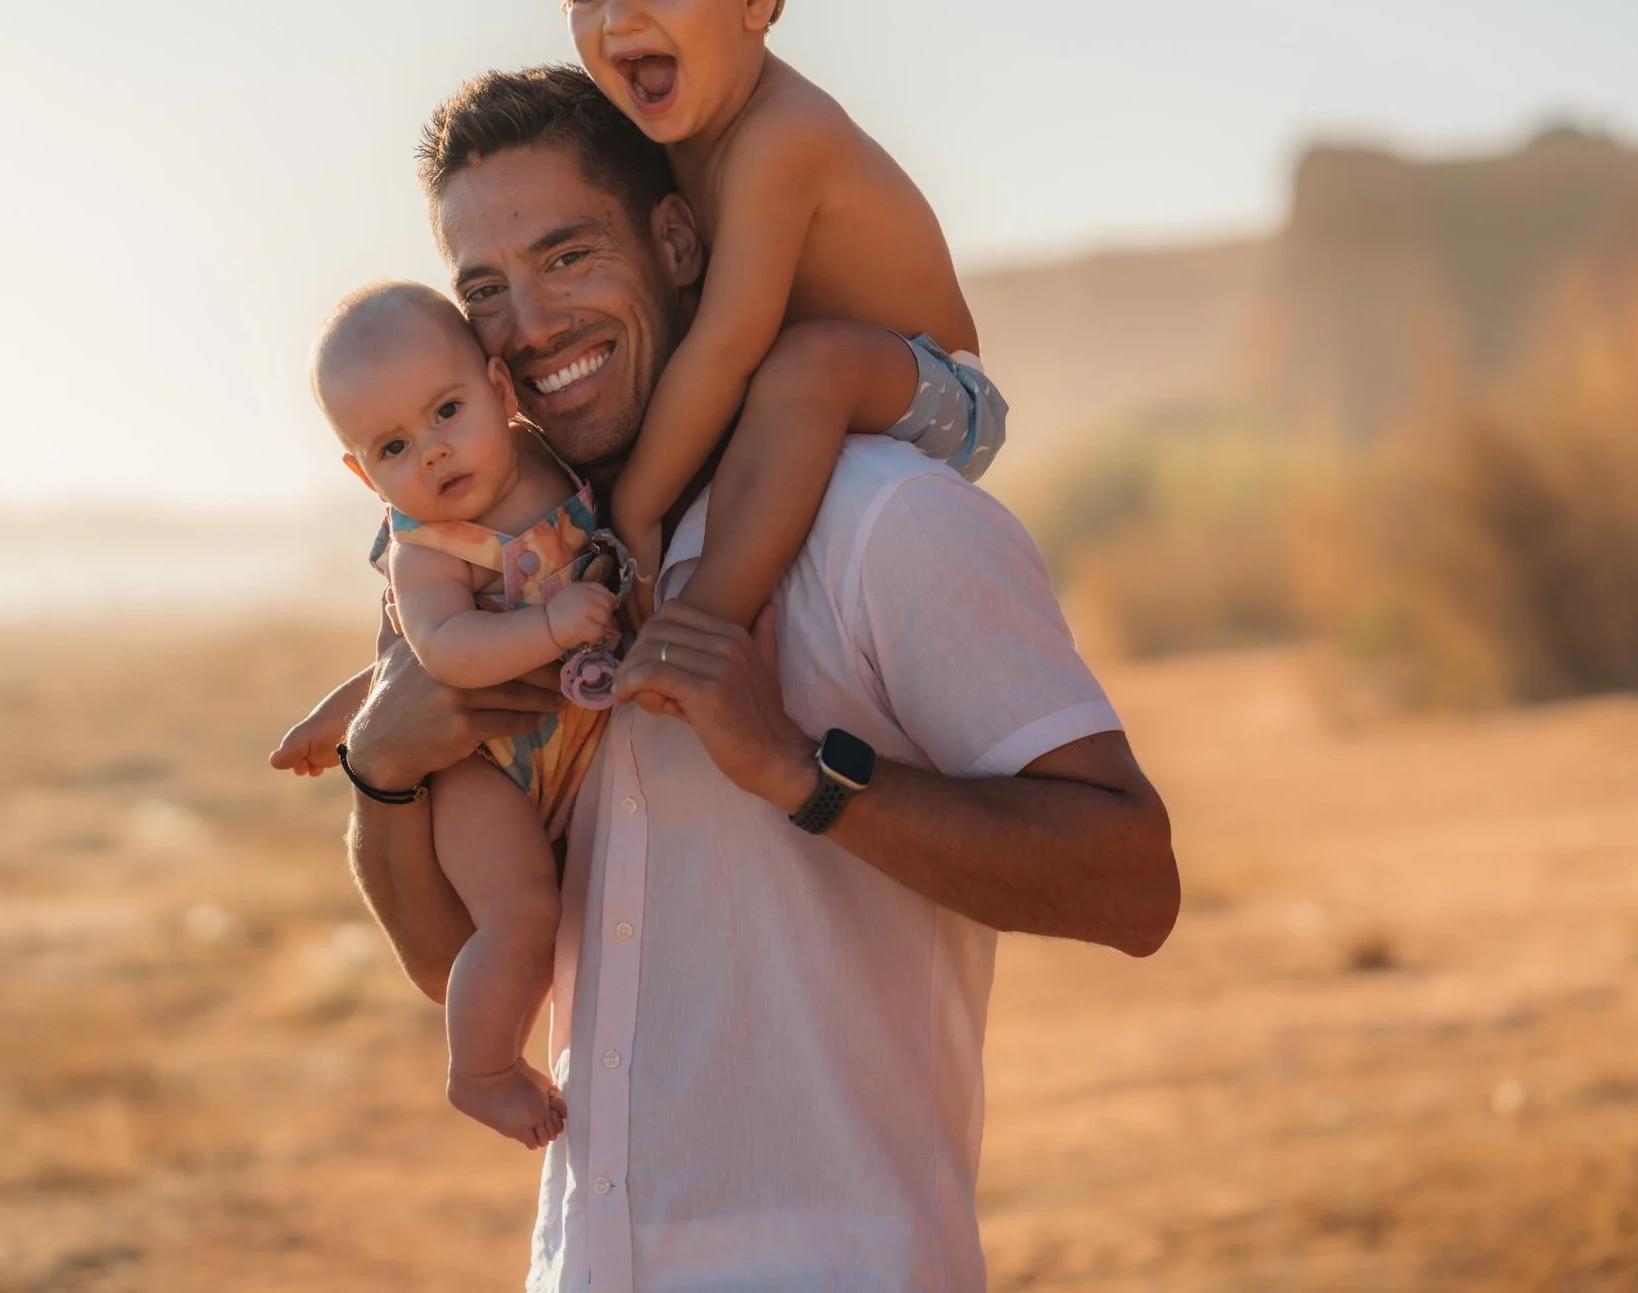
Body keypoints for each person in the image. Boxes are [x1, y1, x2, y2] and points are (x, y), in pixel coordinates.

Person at [276, 65, 1180, 1291]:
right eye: (485, 288)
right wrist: (383, 772)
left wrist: (803, 776)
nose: (530, 322)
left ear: (677, 239)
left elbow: (1134, 884)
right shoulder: (500, 581)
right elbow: (465, 964)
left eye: (569, 256)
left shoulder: (883, 520)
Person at [549, 0, 1007, 628]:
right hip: (783, 393)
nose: (620, 18)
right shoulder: (656, 132)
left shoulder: (782, 138)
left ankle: (702, 624)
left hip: (937, 396)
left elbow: (728, 348)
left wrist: (638, 506)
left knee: (804, 363)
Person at [296, 281, 620, 1148]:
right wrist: (549, 624)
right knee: (520, 915)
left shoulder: (554, 457)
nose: (434, 454)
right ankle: (482, 1069)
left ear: (502, 392)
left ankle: (341, 705)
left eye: (447, 411)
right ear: (366, 475)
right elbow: (443, 652)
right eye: (396, 445)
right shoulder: (428, 546)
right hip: (485, 771)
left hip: (576, 743)